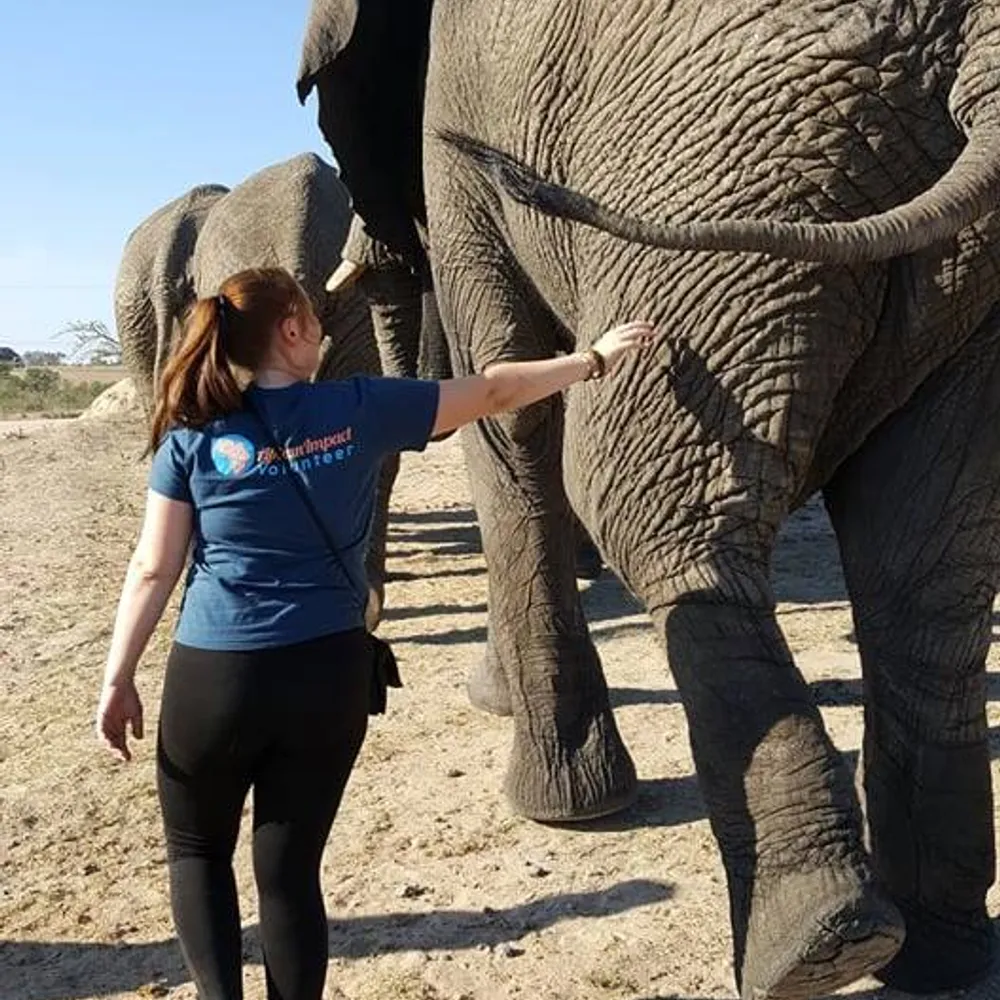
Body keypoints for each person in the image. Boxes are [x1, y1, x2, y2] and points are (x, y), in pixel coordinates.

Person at [94, 266, 654, 1000]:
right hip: (327, 672)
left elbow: (153, 568)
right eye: (315, 318)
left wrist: (118, 676)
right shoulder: (360, 407)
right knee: (290, 874)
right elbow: (495, 390)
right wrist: (592, 360)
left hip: (215, 676)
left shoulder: (192, 438)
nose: (324, 331)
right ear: (291, 329)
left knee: (196, 854)